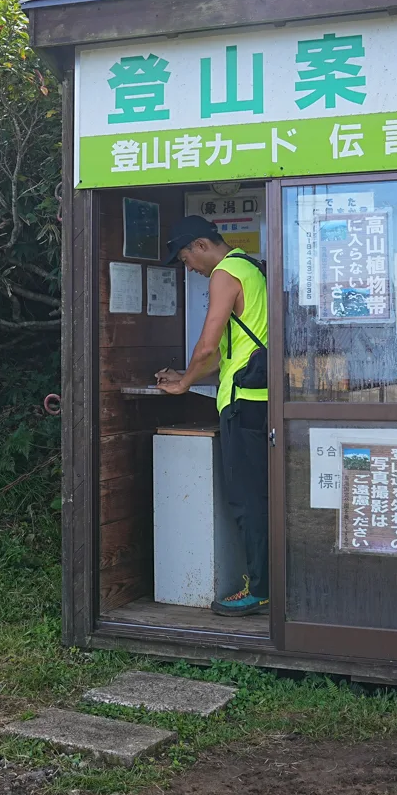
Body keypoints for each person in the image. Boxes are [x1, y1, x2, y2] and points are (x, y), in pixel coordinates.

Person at [154, 214, 269, 616]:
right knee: (260, 493)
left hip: (243, 403)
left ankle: (259, 588)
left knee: (247, 498)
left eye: (187, 258)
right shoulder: (253, 267)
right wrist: (186, 374)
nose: (190, 268)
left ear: (201, 245)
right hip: (262, 397)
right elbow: (237, 353)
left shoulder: (225, 273)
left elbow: (208, 343)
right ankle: (267, 580)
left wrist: (184, 383)